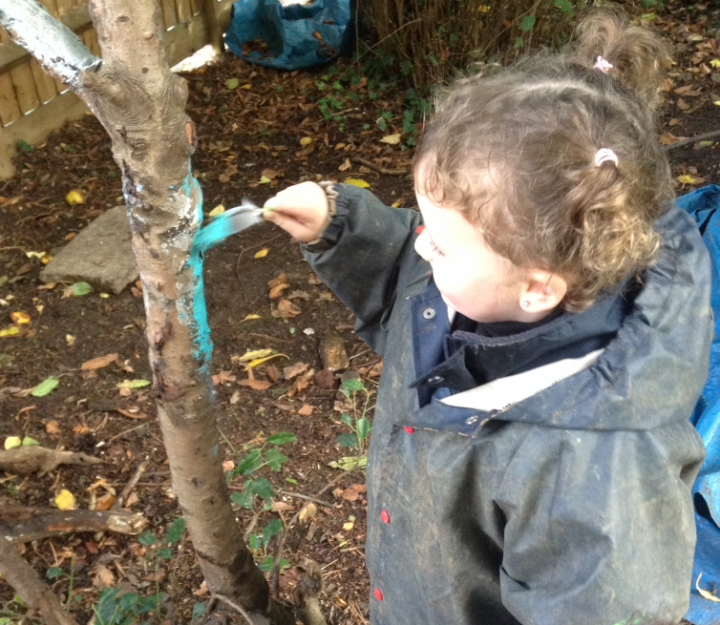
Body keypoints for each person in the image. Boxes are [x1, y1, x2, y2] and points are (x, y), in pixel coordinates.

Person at [261, 11, 713, 625]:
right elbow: (409, 277)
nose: (423, 245)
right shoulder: (489, 273)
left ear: (535, 288)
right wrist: (341, 228)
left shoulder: (589, 468)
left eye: (440, 242)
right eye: (423, 224)